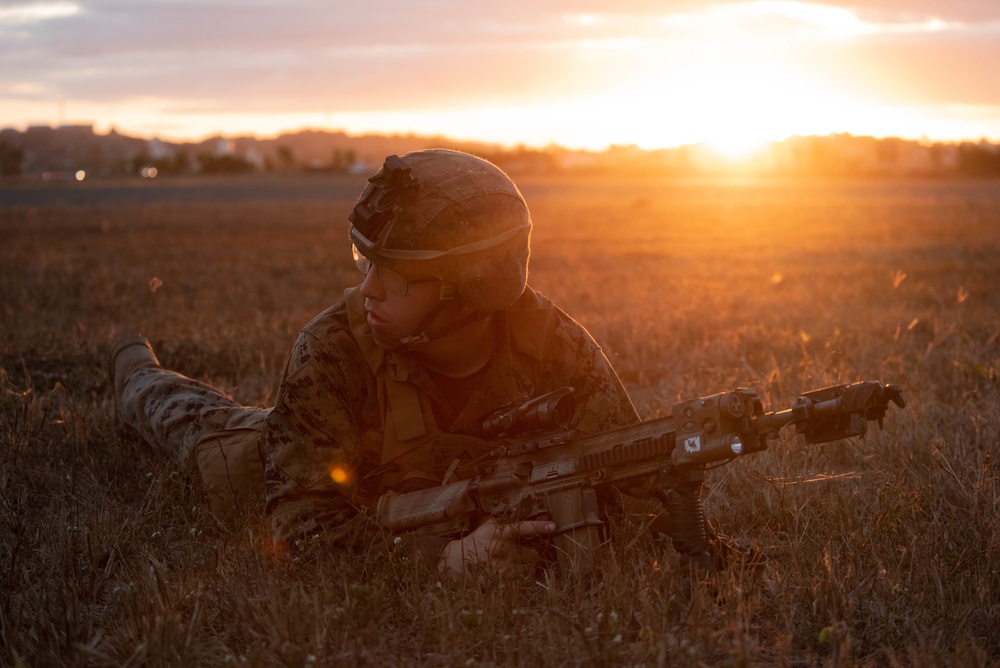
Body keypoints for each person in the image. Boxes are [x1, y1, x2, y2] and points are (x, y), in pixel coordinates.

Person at [110, 149, 643, 576]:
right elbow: (300, 529)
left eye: (396, 275)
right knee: (195, 427)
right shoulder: (332, 347)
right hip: (306, 460)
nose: (369, 288)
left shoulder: (548, 340)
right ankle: (134, 367)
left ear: (467, 290)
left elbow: (634, 476)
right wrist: (443, 560)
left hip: (436, 486)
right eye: (365, 262)